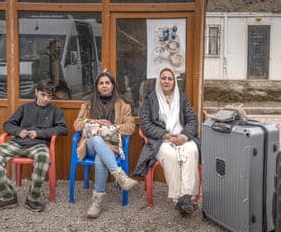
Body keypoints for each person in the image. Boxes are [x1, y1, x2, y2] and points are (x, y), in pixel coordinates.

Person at [0, 79, 68, 213]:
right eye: (43, 95)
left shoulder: (55, 111)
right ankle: (7, 197)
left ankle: (32, 199)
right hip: (18, 143)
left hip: (39, 144)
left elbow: (63, 129)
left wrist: (39, 133)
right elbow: (7, 124)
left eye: (49, 96)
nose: (46, 99)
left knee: (43, 158)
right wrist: (18, 131)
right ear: (36, 92)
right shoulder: (25, 108)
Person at [133, 67, 200, 216]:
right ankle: (177, 199)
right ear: (159, 80)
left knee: (192, 150)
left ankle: (186, 196)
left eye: (170, 78)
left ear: (174, 82)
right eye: (163, 78)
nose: (166, 81)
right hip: (161, 140)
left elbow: (192, 120)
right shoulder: (151, 99)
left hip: (182, 137)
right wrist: (166, 135)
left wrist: (184, 136)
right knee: (171, 156)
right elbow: (145, 123)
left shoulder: (181, 97)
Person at [74, 69, 137, 218]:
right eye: (101, 83)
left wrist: (110, 128)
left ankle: (97, 202)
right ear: (97, 86)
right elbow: (76, 124)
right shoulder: (87, 105)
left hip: (112, 146)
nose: (104, 86)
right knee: (96, 139)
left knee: (100, 158)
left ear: (112, 86)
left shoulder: (123, 106)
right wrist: (96, 123)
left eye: (107, 83)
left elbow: (131, 127)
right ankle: (120, 176)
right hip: (90, 145)